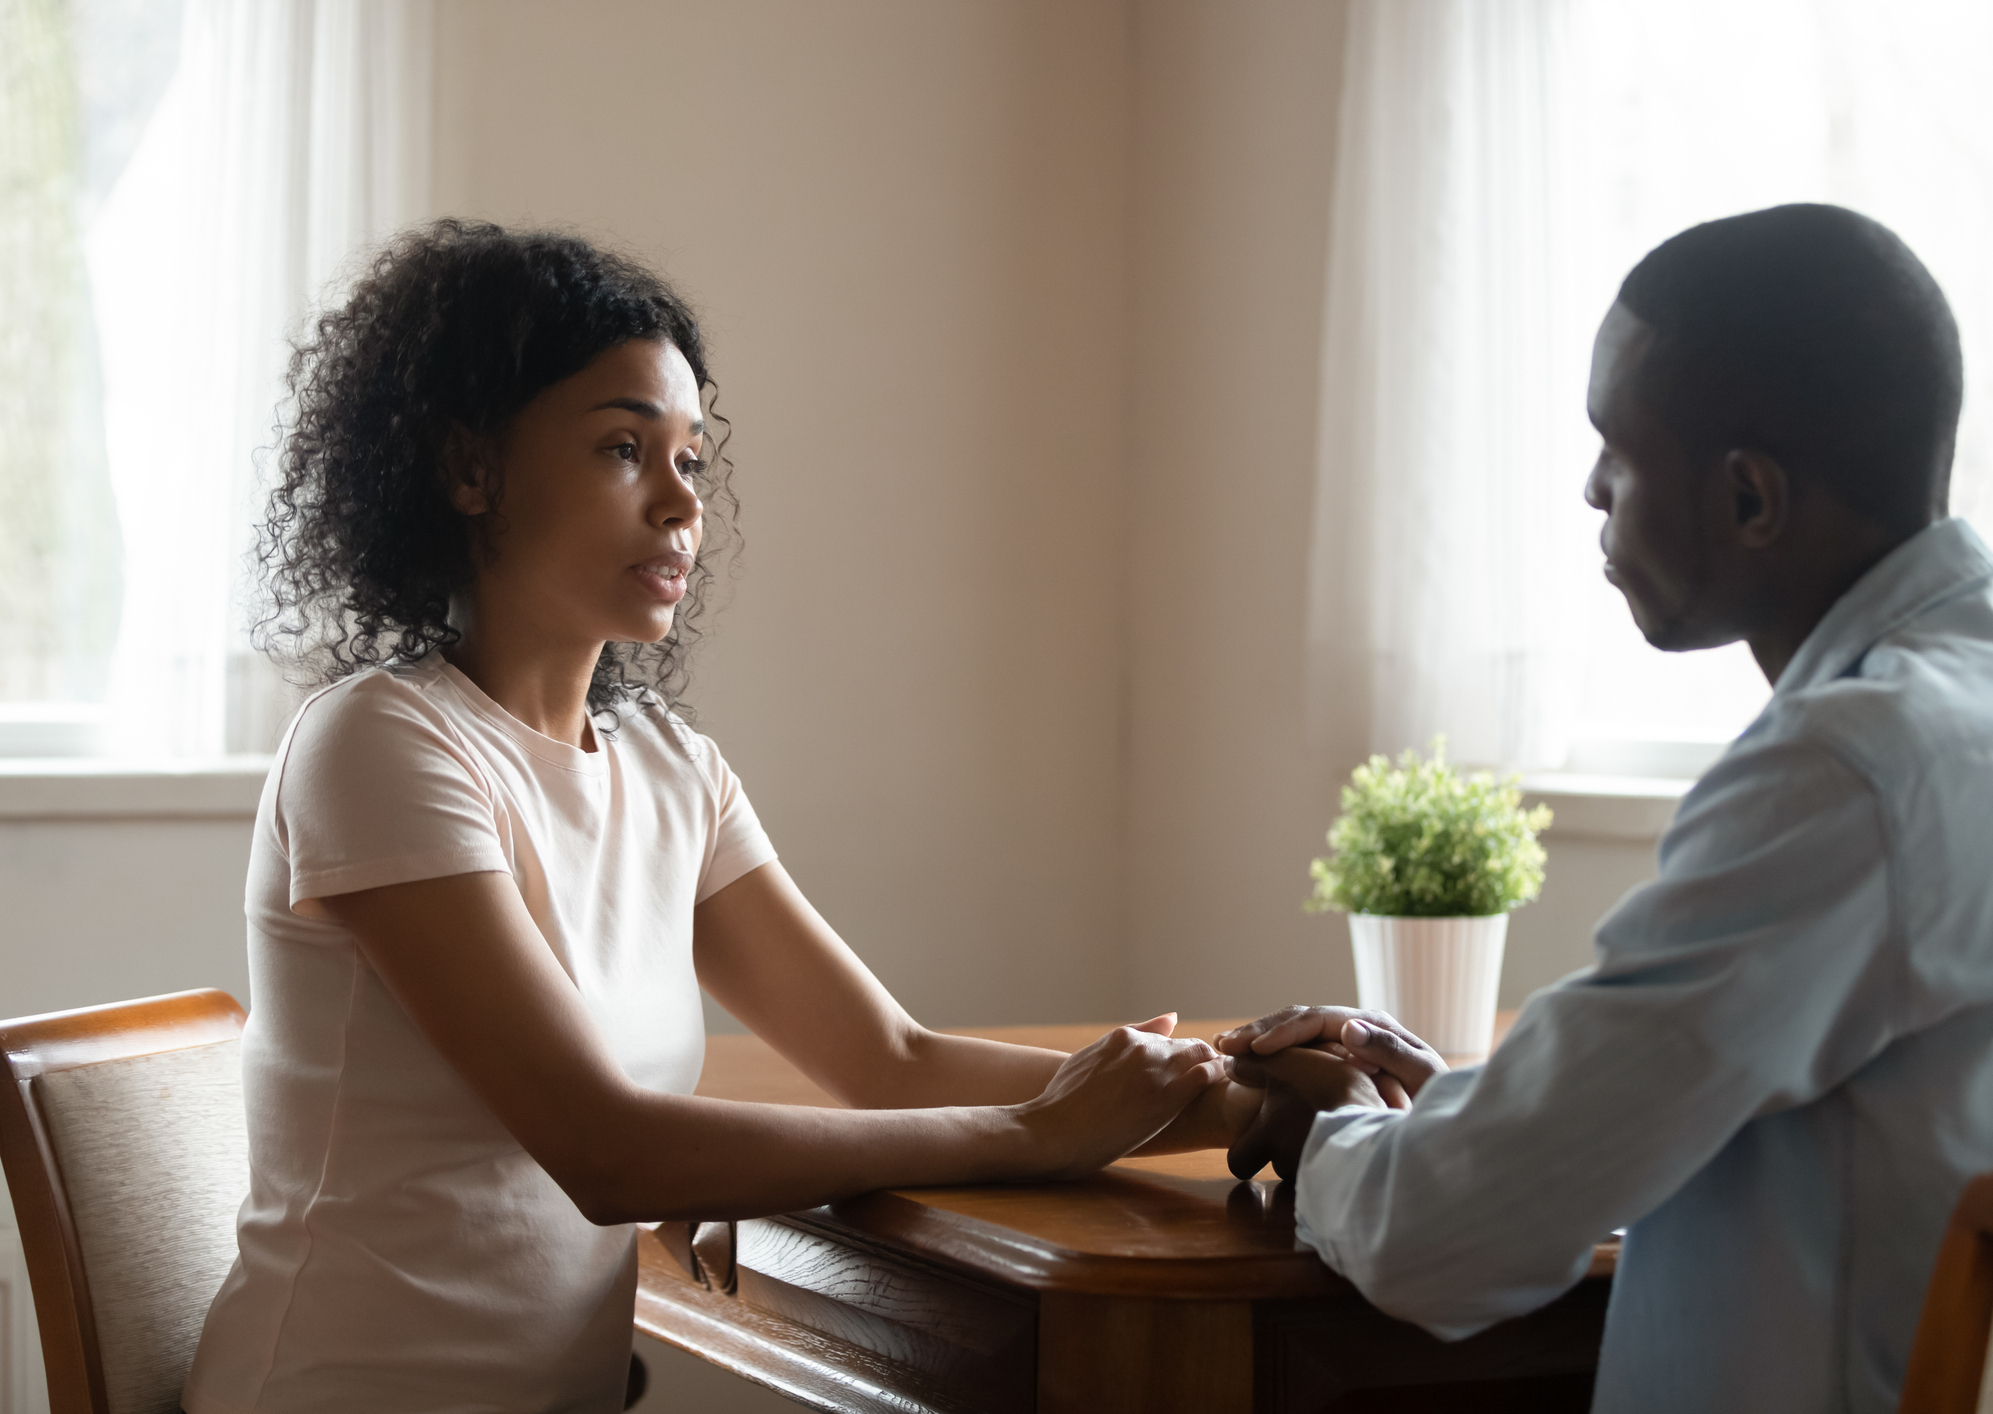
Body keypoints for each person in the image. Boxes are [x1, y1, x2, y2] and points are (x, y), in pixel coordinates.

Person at [182, 221, 1251, 1414]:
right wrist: (1031, 1132)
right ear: (470, 467)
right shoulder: (381, 743)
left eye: (691, 459)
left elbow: (889, 1059)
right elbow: (610, 1150)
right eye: (623, 448)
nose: (676, 503)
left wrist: (1238, 1091)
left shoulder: (671, 766)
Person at [1216, 203, 1993, 1413]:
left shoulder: (1845, 774)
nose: (1591, 489)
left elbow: (1438, 1241)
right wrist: (1476, 1108)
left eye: (1617, 449)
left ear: (1750, 497)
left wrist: (1337, 1125)